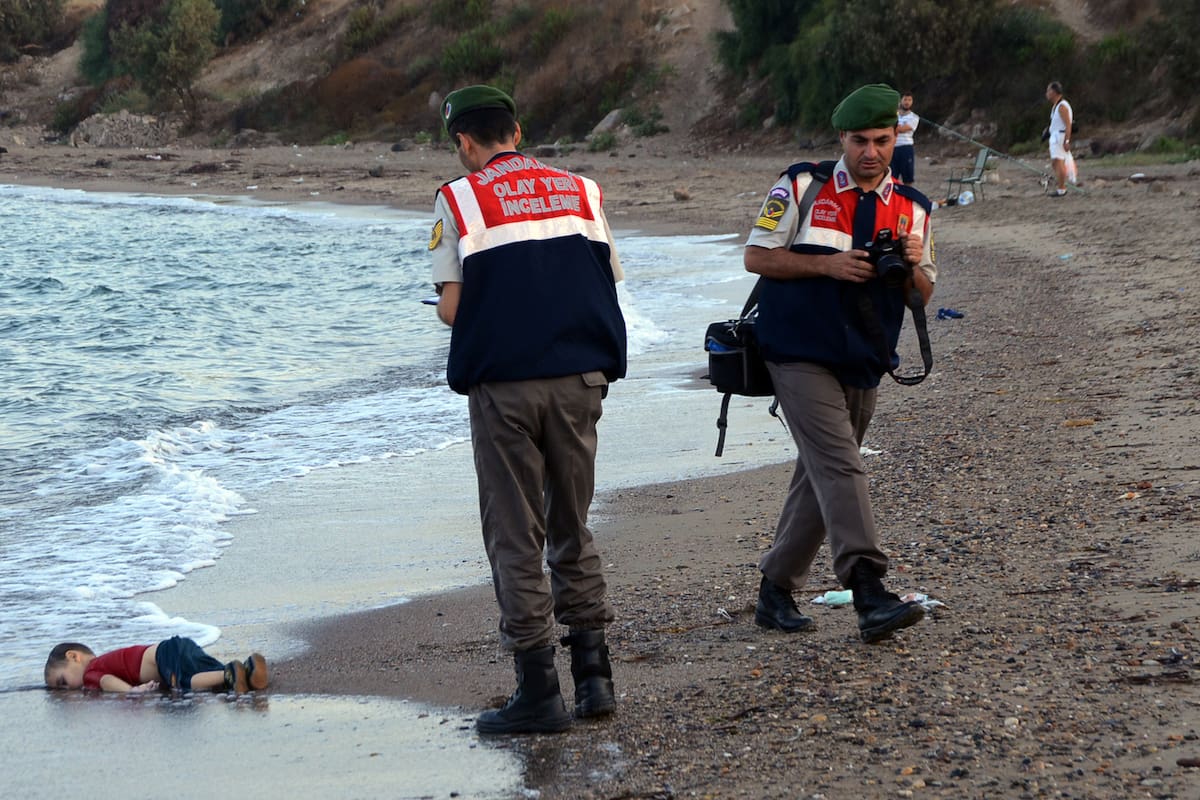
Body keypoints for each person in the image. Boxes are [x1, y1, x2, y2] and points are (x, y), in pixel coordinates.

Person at [428, 85, 627, 734]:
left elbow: (454, 309)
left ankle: (538, 691)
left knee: (516, 533)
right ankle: (595, 680)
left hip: (507, 387)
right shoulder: (583, 190)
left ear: (464, 140)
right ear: (516, 129)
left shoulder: (458, 198)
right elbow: (607, 278)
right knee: (572, 522)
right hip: (580, 379)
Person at [742, 83, 935, 644]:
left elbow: (920, 295)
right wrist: (826, 267)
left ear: (896, 136)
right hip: (795, 349)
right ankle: (869, 587)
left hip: (864, 357)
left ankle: (775, 589)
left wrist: (914, 266)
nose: (870, 152)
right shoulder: (803, 182)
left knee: (821, 473)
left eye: (881, 139)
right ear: (842, 139)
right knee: (842, 464)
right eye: (859, 140)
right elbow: (757, 256)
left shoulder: (914, 208)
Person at [44, 636, 268, 693]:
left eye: (62, 682)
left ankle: (230, 673)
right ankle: (247, 670)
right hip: (177, 646)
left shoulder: (91, 671)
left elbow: (106, 682)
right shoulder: (105, 661)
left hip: (163, 655)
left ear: (74, 657)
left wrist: (131, 691)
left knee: (185, 683)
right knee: (208, 673)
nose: (66, 689)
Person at [1046, 81, 1074, 196]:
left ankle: (1062, 188)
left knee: (1059, 162)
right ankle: (1061, 184)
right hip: (1055, 136)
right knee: (1055, 163)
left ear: (1054, 92)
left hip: (1060, 136)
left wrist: (1067, 141)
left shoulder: (1062, 106)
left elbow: (1068, 124)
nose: (1047, 93)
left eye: (1048, 91)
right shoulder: (1056, 106)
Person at [889, 91, 918, 185]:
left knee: (908, 178)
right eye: (905, 99)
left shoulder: (914, 117)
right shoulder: (893, 115)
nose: (907, 102)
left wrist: (892, 126)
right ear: (900, 100)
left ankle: (908, 198)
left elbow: (900, 129)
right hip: (892, 148)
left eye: (909, 100)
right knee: (891, 177)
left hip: (905, 148)